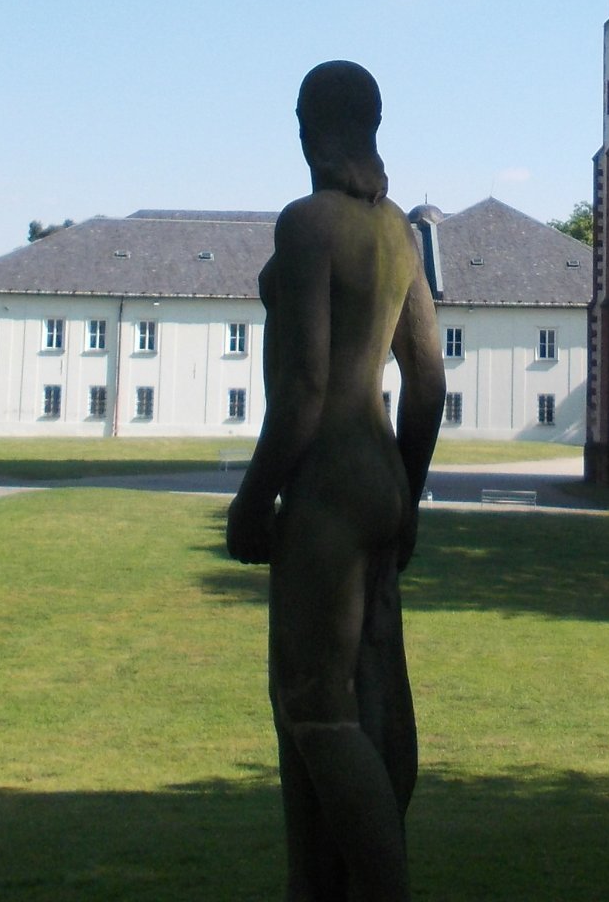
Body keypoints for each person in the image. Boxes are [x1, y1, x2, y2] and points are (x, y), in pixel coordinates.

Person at [227, 61, 445, 902]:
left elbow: (307, 388)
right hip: (381, 473)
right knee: (375, 690)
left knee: (315, 705)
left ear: (304, 128)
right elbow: (426, 381)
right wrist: (410, 494)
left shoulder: (308, 224)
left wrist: (252, 501)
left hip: (326, 483)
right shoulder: (396, 232)